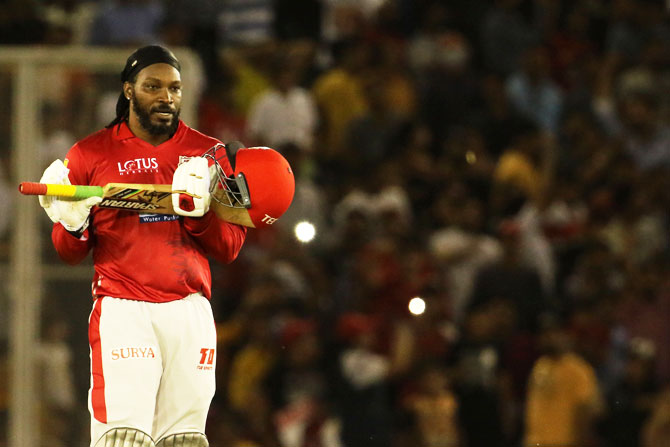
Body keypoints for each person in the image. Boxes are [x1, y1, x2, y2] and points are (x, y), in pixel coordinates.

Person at [36, 45, 294, 447]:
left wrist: (199, 215)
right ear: (128, 90)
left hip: (189, 311)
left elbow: (228, 248)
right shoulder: (89, 154)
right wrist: (70, 222)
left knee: (185, 441)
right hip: (124, 309)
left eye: (174, 88)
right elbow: (68, 253)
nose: (166, 97)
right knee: (123, 440)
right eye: (153, 86)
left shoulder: (209, 153)